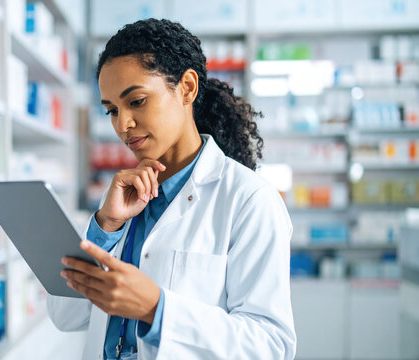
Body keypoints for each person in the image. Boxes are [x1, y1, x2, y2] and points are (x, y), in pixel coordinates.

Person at [47, 18, 296, 360]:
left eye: (136, 101)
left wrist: (157, 309)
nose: (123, 125)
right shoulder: (124, 200)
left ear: (187, 88)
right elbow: (66, 316)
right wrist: (105, 226)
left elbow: (270, 345)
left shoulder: (249, 201)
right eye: (112, 111)